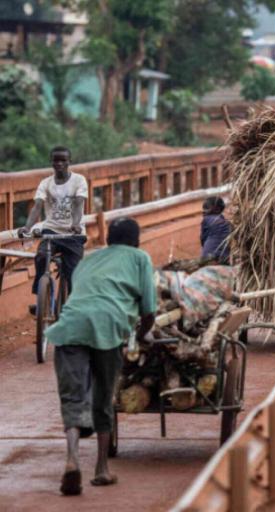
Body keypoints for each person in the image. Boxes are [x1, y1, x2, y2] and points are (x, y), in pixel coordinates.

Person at [45, 217, 156, 496]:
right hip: (108, 327)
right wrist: (142, 335)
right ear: (136, 239)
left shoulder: (89, 259)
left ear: (108, 239)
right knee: (103, 396)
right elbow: (149, 310)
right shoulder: (140, 258)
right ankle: (101, 469)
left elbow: (80, 290)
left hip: (70, 326)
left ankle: (72, 460)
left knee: (72, 397)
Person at [18, 146, 88, 305]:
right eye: (56, 160)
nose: (59, 164)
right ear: (51, 162)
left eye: (63, 160)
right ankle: (40, 297)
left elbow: (78, 204)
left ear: (70, 161)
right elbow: (37, 206)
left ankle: (72, 305)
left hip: (73, 234)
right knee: (41, 256)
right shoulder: (46, 183)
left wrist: (76, 224)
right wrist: (27, 228)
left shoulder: (79, 180)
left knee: (73, 274)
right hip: (51, 231)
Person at [200, 196, 231, 264]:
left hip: (209, 257)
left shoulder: (206, 219)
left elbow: (203, 240)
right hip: (224, 257)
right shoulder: (227, 223)